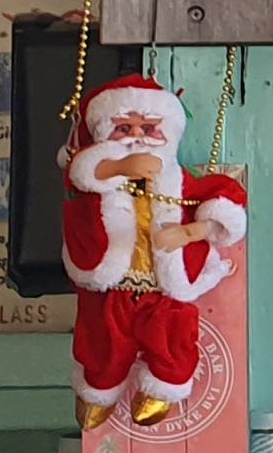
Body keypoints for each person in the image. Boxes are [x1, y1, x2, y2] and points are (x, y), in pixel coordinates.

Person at [62, 73, 245, 429]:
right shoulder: (98, 183)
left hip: (165, 289)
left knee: (172, 341)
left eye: (148, 128)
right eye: (123, 128)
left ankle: (164, 389)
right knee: (102, 343)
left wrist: (191, 232)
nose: (136, 137)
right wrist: (120, 167)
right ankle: (98, 391)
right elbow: (81, 171)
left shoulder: (179, 182)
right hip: (112, 288)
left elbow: (226, 203)